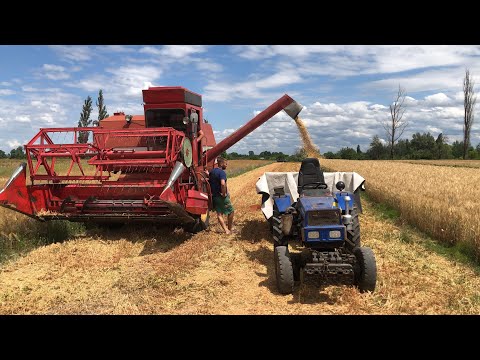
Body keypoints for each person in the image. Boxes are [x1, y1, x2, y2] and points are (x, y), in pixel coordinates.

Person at [209, 157, 235, 234]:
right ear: (221, 163)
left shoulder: (212, 171)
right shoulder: (222, 173)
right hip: (221, 196)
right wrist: (224, 194)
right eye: (226, 164)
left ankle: (226, 230)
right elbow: (223, 183)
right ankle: (229, 228)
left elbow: (209, 178)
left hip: (214, 196)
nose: (226, 166)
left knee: (219, 214)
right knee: (231, 211)